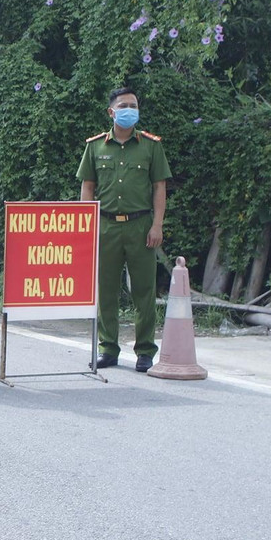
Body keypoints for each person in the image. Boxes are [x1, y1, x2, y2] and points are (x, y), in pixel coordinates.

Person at [77, 87, 171, 372]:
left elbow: (159, 187)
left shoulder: (151, 146)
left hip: (141, 226)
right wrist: (87, 226)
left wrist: (157, 224)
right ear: (111, 112)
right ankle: (108, 349)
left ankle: (144, 351)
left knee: (144, 290)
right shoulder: (95, 146)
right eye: (124, 105)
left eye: (133, 105)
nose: (129, 110)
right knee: (105, 290)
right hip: (105, 226)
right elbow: (87, 188)